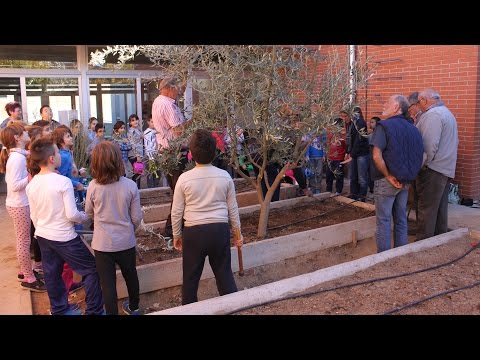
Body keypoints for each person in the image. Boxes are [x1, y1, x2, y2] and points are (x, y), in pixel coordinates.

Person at [26, 137, 104, 315]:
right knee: (91, 269)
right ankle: (95, 310)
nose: (60, 155)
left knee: (52, 274)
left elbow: (34, 215)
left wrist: (41, 230)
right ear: (52, 159)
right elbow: (72, 215)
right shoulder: (62, 182)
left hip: (43, 236)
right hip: (64, 237)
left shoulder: (32, 184)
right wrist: (87, 217)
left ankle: (59, 309)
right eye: (57, 151)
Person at [171, 129, 243, 305]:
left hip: (193, 233)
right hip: (219, 230)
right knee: (224, 275)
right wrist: (237, 233)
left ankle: (189, 310)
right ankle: (232, 307)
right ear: (215, 152)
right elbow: (232, 208)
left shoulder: (184, 179)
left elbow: (176, 212)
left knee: (190, 279)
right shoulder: (224, 176)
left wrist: (177, 235)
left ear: (191, 154)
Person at [85, 141, 143, 315]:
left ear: (95, 163)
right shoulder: (130, 186)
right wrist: (130, 228)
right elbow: (136, 217)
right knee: (131, 276)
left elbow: (89, 212)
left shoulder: (93, 187)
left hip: (102, 245)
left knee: (108, 284)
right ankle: (134, 307)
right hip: (125, 241)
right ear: (118, 161)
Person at [371, 95, 424, 253]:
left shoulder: (383, 126)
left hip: (386, 180)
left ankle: (384, 257)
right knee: (401, 218)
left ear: (396, 107)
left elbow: (376, 155)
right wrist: (409, 176)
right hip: (405, 181)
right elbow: (422, 155)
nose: (384, 105)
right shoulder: (413, 129)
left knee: (384, 220)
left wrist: (388, 175)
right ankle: (400, 254)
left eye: (387, 102)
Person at [0, 122, 47, 291]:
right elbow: (13, 185)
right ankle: (28, 277)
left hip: (20, 204)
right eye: (24, 132)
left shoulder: (18, 155)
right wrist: (30, 177)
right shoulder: (17, 159)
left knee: (25, 239)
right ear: (17, 138)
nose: (28, 134)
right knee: (23, 241)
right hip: (19, 204)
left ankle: (27, 270)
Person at [415, 89, 459, 241]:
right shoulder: (447, 113)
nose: (418, 106)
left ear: (425, 101)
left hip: (433, 169)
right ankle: (439, 240)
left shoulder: (433, 115)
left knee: (427, 208)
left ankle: (422, 242)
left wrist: (420, 166)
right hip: (445, 168)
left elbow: (428, 146)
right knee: (439, 208)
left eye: (419, 102)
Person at [151, 76, 191, 240]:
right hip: (174, 152)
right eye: (178, 89)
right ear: (169, 88)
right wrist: (194, 122)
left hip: (167, 152)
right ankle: (172, 229)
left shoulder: (158, 102)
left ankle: (176, 227)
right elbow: (179, 131)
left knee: (178, 191)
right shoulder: (168, 105)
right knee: (180, 192)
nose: (179, 92)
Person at [340, 107, 370, 201]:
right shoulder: (350, 123)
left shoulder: (359, 122)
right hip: (354, 153)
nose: (344, 118)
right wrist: (348, 152)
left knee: (362, 178)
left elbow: (359, 141)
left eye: (345, 116)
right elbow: (350, 140)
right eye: (342, 116)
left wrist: (351, 155)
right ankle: (354, 194)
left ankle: (362, 197)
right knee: (353, 176)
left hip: (362, 154)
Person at [325, 118, 347, 195]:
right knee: (329, 175)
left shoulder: (343, 136)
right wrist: (327, 155)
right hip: (330, 158)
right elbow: (328, 145)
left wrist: (345, 156)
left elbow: (345, 147)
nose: (334, 127)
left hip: (339, 159)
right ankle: (329, 190)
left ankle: (338, 191)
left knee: (339, 175)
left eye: (336, 125)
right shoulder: (330, 134)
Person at [126, 114, 144, 189]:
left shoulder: (138, 130)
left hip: (139, 154)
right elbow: (133, 144)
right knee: (136, 173)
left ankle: (137, 189)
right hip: (134, 155)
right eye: (133, 120)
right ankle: (135, 190)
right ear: (130, 123)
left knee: (138, 172)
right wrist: (137, 155)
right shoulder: (131, 131)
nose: (135, 121)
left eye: (136, 119)